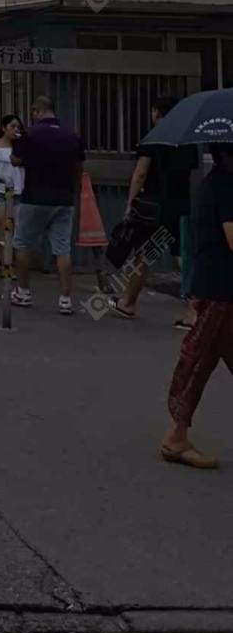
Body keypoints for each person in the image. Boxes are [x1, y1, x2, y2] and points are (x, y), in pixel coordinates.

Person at [162, 143, 233, 468]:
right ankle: (176, 437)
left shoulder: (214, 183)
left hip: (216, 285)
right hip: (220, 288)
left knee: (202, 357)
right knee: (198, 359)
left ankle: (176, 435)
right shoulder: (225, 186)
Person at [113, 95, 198, 323]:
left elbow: (140, 173)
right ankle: (195, 307)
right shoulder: (186, 140)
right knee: (182, 254)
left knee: (145, 254)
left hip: (155, 208)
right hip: (181, 204)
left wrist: (130, 203)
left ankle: (128, 302)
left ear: (157, 113)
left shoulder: (153, 138)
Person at [10, 96, 85, 314]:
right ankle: (65, 299)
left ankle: (23, 291)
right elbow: (79, 167)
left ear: (37, 111)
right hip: (64, 199)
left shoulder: (31, 134)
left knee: (23, 245)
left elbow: (15, 160)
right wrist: (75, 190)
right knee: (62, 249)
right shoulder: (71, 135)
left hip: (33, 197)